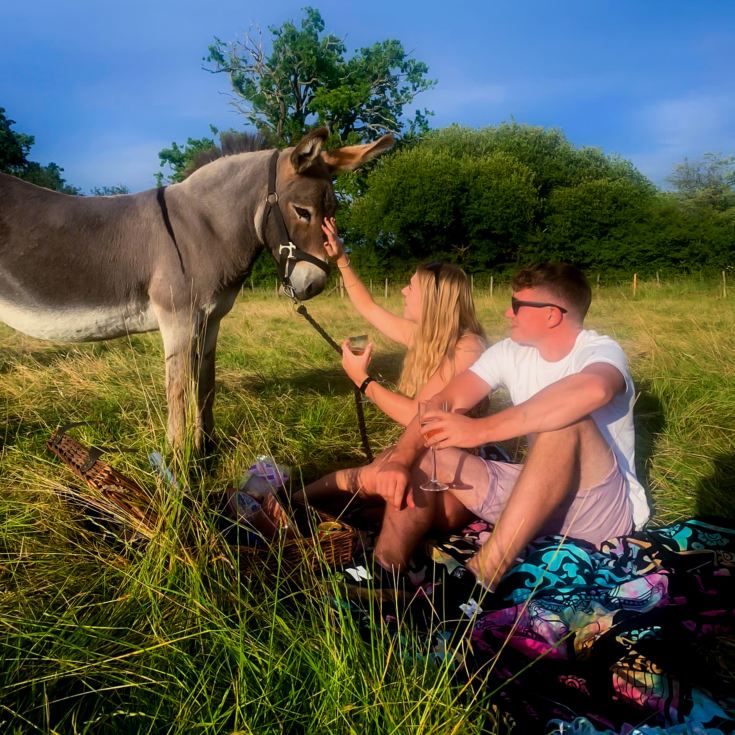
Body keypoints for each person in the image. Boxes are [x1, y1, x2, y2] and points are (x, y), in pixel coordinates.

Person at [371, 262, 650, 592]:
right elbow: (442, 403)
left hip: (600, 508)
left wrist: (480, 431)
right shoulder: (509, 352)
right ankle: (385, 571)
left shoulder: (600, 350)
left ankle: (478, 580)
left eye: (518, 306)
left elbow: (595, 389)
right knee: (429, 452)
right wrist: (402, 458)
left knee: (564, 422)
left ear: (551, 315)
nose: (507, 312)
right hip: (538, 491)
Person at [296, 217, 487, 503]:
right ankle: (286, 501)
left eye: (411, 288)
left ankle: (288, 501)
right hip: (430, 452)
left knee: (363, 478)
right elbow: (369, 308)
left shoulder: (468, 348)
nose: (403, 292)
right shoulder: (428, 337)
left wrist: (362, 380)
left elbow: (418, 416)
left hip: (458, 464)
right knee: (358, 479)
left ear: (433, 301)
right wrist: (341, 259)